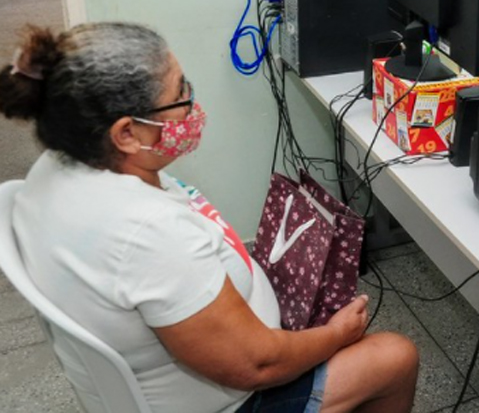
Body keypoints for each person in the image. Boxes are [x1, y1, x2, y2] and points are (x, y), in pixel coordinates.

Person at [0, 22, 419, 413]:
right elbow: (257, 366)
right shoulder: (146, 232)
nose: (192, 107)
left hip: (200, 358)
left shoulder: (59, 164)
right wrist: (337, 335)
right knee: (396, 357)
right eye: (180, 95)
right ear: (126, 134)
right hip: (233, 397)